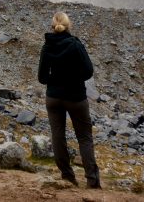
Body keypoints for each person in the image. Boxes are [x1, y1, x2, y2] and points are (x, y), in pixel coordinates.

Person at [37, 11, 100, 188]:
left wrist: (56, 80)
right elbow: (88, 72)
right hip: (76, 97)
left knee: (58, 136)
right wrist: (73, 79)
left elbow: (42, 78)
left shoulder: (47, 46)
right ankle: (92, 181)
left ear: (53, 26)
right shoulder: (76, 45)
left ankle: (67, 176)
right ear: (68, 25)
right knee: (84, 138)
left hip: (54, 98)